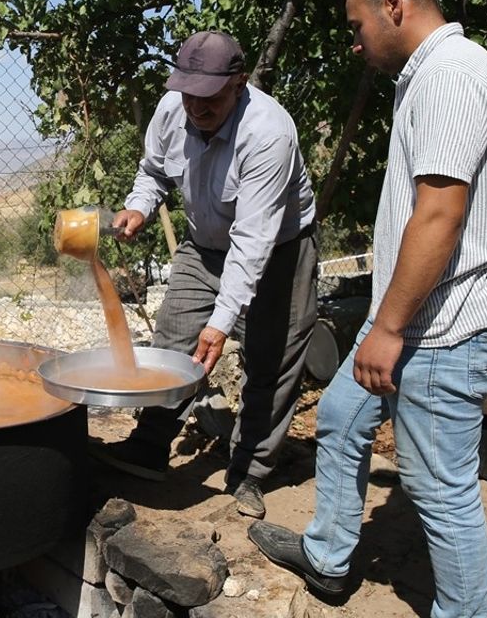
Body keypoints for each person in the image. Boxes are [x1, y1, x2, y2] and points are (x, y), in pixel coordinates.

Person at [247, 0, 487, 618]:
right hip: (417, 318)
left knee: (439, 491)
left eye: (357, 25)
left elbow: (439, 213)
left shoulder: (450, 77)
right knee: (343, 415)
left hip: (443, 327)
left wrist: (391, 329)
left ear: (393, 6)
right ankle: (328, 556)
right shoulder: (431, 75)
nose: (355, 41)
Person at [93, 30, 320, 519]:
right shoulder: (173, 110)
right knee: (173, 342)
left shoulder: (268, 133)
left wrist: (221, 322)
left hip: (279, 250)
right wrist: (139, 207)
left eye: (209, 97)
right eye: (188, 94)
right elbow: (153, 171)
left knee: (270, 361)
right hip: (204, 244)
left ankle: (250, 472)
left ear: (238, 83)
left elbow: (253, 241)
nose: (196, 107)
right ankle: (149, 447)